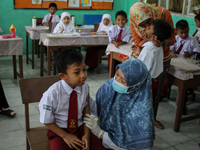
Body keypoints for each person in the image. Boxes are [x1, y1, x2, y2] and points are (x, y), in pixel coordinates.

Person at [39, 49, 106, 150]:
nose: (83, 75)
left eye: (84, 69)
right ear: (63, 76)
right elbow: (46, 120)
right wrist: (65, 136)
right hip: (59, 131)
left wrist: (87, 135)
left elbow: (87, 114)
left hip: (81, 129)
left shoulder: (85, 88)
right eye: (76, 72)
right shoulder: (52, 94)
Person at [84, 58, 155, 150]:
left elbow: (137, 148)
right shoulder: (110, 87)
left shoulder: (140, 111)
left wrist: (101, 134)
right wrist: (86, 96)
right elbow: (100, 109)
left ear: (134, 86)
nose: (116, 80)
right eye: (117, 74)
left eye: (123, 81)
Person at [129, 2, 176, 129]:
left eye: (148, 24)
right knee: (149, 96)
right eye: (142, 26)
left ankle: (149, 119)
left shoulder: (163, 14)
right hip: (148, 61)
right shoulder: (134, 19)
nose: (144, 28)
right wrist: (145, 44)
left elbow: (172, 38)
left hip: (151, 66)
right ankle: (145, 120)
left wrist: (160, 42)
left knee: (149, 96)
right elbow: (138, 41)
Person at [137, 19, 173, 130]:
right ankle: (146, 123)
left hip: (145, 83)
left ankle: (141, 126)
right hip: (154, 81)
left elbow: (141, 69)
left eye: (149, 28)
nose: (145, 29)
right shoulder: (158, 45)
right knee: (149, 105)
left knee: (141, 106)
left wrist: (138, 55)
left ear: (155, 37)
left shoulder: (149, 51)